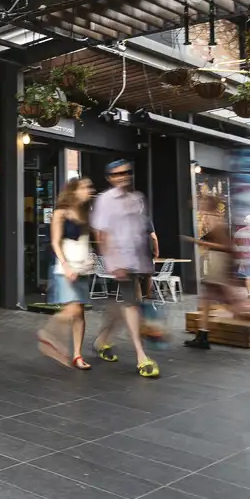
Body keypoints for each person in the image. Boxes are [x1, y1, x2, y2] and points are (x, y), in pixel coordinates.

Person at [89, 159, 160, 377]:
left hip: (137, 261)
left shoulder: (138, 199)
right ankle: (141, 356)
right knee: (132, 305)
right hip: (119, 262)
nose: (123, 177)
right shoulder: (105, 200)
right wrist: (112, 260)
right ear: (110, 178)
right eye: (117, 174)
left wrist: (148, 261)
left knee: (123, 306)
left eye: (126, 172)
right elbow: (101, 233)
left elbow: (142, 233)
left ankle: (102, 340)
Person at [39, 177, 94, 370]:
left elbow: (87, 240)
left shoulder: (87, 213)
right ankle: (48, 335)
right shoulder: (60, 213)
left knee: (80, 314)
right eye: (85, 187)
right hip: (65, 270)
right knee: (74, 309)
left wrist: (90, 258)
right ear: (74, 190)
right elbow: (55, 242)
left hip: (82, 269)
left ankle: (77, 355)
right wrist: (66, 265)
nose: (89, 189)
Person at [182, 193, 234, 349]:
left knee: (221, 297)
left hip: (218, 261)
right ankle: (202, 335)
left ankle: (203, 335)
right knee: (208, 298)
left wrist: (197, 242)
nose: (200, 207)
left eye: (203, 203)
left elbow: (226, 246)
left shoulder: (215, 220)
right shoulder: (212, 218)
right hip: (216, 261)